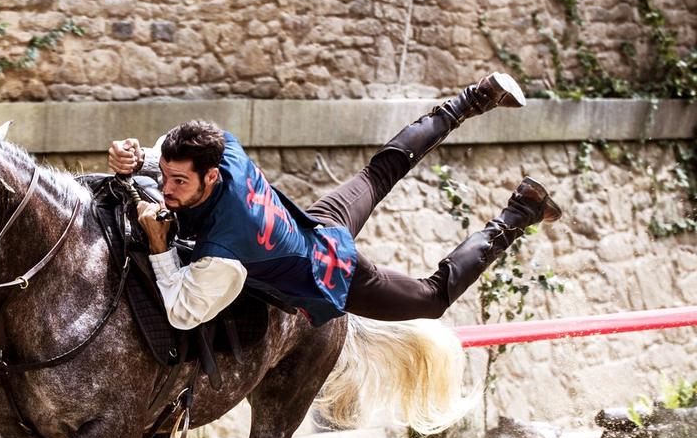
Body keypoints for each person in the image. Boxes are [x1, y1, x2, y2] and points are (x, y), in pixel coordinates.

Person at [107, 73, 562, 331]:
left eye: (179, 182)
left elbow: (184, 314)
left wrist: (161, 246)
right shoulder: (221, 145)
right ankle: (475, 96)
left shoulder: (225, 252)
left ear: (211, 175)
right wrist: (140, 158)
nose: (166, 188)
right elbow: (172, 146)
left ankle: (519, 211)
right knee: (380, 172)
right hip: (316, 222)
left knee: (432, 299)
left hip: (333, 273)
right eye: (165, 176)